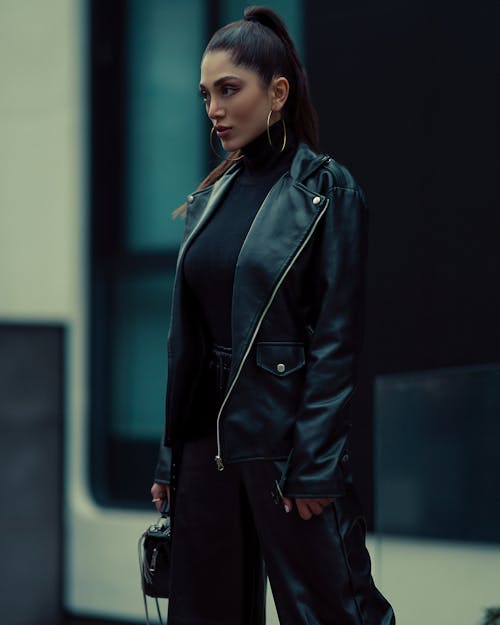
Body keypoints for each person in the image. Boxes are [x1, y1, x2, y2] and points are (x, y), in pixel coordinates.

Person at [150, 6, 395, 625]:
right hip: (207, 452)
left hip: (286, 452)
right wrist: (170, 457)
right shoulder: (210, 198)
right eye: (207, 94)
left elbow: (337, 341)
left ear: (277, 93)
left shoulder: (329, 192)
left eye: (229, 90)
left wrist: (314, 466)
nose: (214, 109)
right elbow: (188, 343)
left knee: (333, 613)